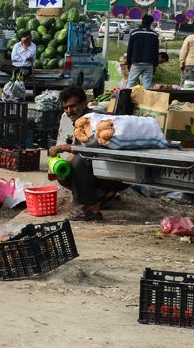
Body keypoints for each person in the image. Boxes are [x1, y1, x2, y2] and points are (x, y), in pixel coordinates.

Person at [48, 86, 128, 221]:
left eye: (72, 106)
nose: (69, 111)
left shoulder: (92, 120)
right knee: (63, 174)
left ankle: (91, 209)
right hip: (107, 173)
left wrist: (62, 147)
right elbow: (77, 149)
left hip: (118, 174)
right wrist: (58, 167)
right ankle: (103, 196)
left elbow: (85, 150)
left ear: (84, 103)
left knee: (79, 162)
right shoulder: (80, 121)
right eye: (65, 108)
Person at [125, 16, 160, 88]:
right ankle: (145, 98)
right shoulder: (154, 35)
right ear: (151, 23)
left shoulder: (134, 33)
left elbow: (130, 49)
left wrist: (128, 63)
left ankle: (127, 98)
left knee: (131, 83)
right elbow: (156, 51)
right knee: (147, 85)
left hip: (136, 62)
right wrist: (155, 65)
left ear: (142, 21)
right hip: (149, 63)